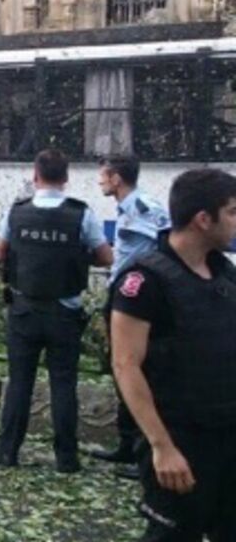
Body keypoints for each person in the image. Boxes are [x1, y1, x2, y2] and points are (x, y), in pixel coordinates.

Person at [111, 168, 236, 542]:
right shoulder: (144, 281)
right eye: (232, 212)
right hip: (179, 439)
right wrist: (161, 446)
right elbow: (125, 364)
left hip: (228, 436)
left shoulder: (224, 273)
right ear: (203, 219)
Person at [0, 149, 113, 473]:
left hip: (23, 311)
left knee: (19, 382)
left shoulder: (16, 212)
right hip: (64, 314)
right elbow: (106, 257)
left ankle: (7, 452)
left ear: (35, 176)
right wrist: (75, 257)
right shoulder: (81, 214)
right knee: (63, 384)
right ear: (66, 177)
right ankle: (66, 459)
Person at [92, 155, 171, 476]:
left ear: (117, 179)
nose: (100, 181)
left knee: (138, 371)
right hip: (122, 294)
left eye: (104, 175)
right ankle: (127, 446)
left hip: (137, 299)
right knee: (121, 369)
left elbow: (164, 245)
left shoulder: (143, 207)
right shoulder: (127, 208)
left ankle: (144, 454)